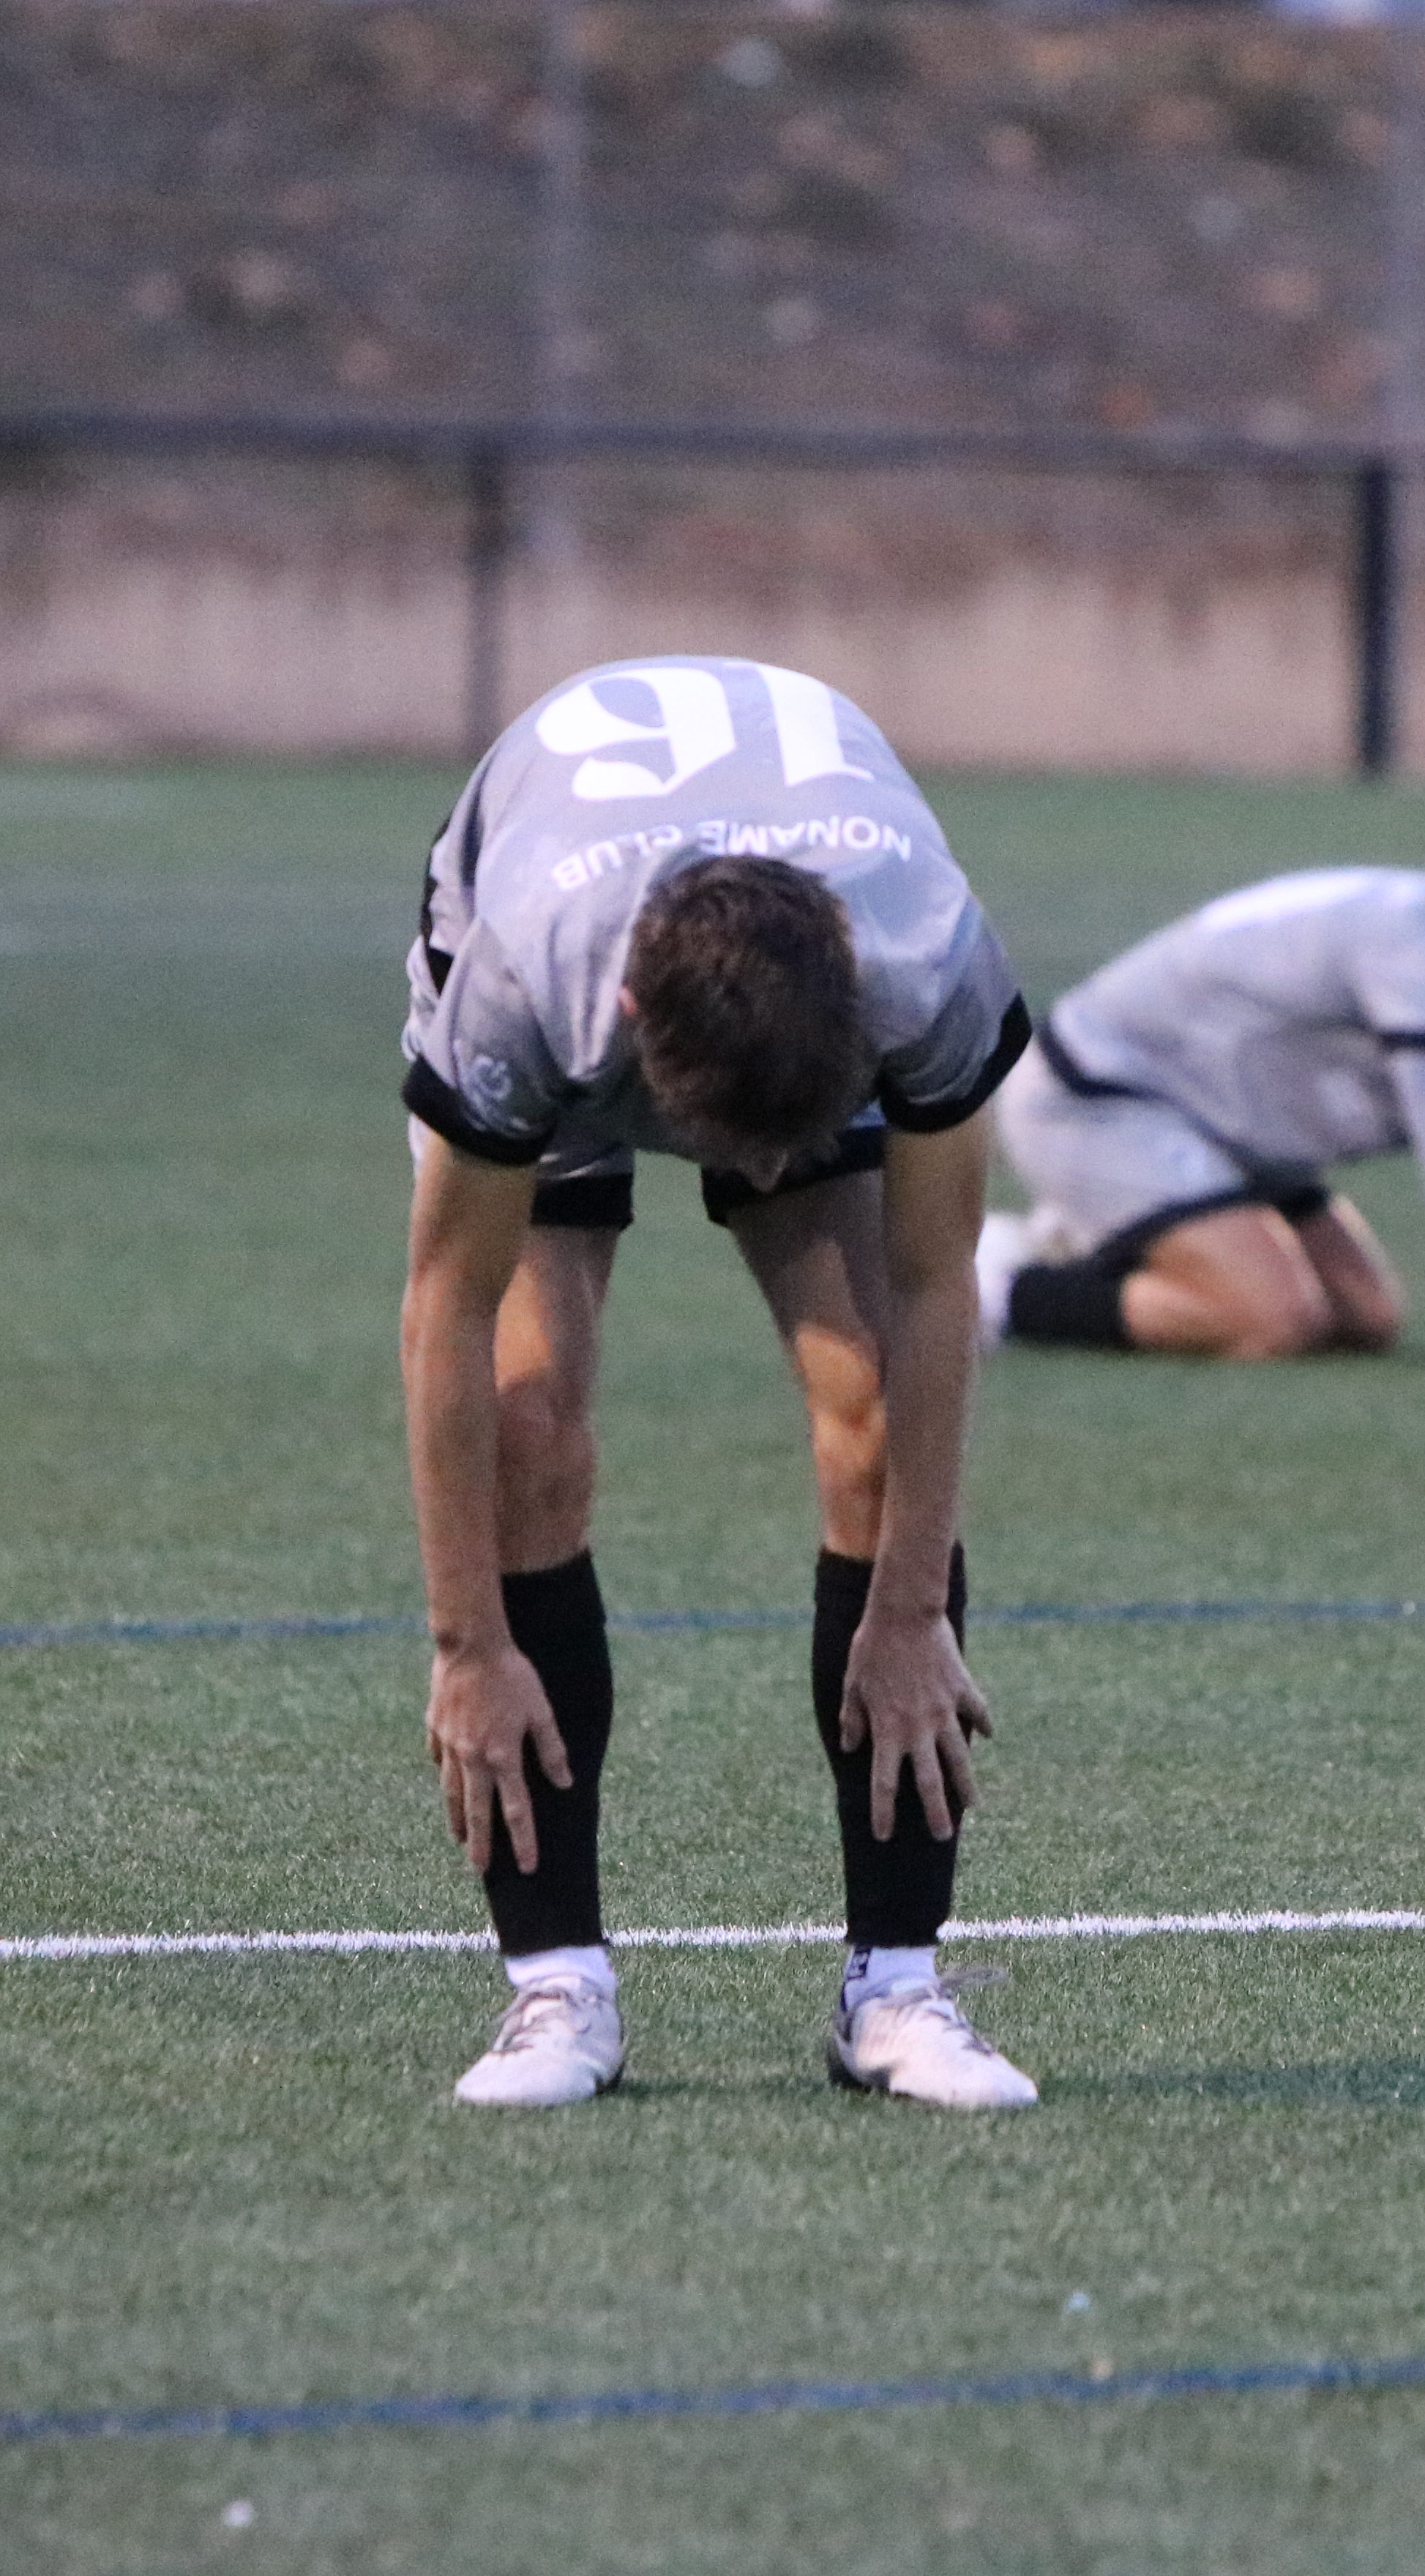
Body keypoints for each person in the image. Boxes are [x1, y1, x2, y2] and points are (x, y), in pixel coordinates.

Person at [403, 657, 1038, 2109]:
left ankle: (899, 1986)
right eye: (725, 1146)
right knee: (528, 1422)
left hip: (797, 990)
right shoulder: (529, 982)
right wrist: (467, 1642)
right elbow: (447, 1303)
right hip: (560, 910)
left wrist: (911, 1605)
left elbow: (943, 1285)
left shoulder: (925, 959)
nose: (746, 1186)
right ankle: (555, 1985)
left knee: (872, 1412)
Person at [975, 868, 1425, 1378]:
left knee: (1364, 1319)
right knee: (1268, 1317)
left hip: (1224, 1128)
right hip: (1095, 1099)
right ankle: (999, 1284)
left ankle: (1095, 1233)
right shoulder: (1422, 952)